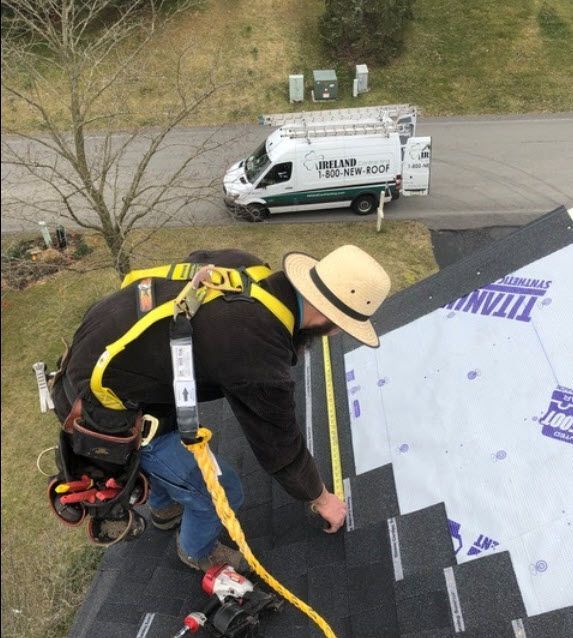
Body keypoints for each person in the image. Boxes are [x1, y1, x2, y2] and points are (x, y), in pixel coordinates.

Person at [51, 245, 391, 572]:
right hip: (103, 409)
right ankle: (194, 551)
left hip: (103, 354)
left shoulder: (245, 267)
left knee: (163, 447)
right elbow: (280, 449)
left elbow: (192, 279)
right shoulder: (257, 349)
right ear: (325, 316)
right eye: (339, 327)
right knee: (224, 490)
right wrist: (320, 497)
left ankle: (164, 506)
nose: (332, 334)